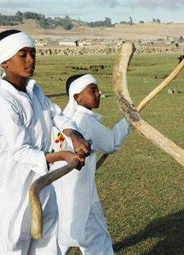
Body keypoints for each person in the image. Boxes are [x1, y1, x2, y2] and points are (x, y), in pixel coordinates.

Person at [0, 29, 91, 254]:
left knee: (47, 247)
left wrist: (75, 136)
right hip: (13, 191)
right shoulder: (2, 101)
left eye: (33, 53)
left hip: (41, 185)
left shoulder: (35, 90)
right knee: (10, 247)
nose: (31, 60)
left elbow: (55, 115)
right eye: (22, 55)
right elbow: (20, 152)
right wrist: (63, 155)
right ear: (5, 61)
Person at [52, 74, 130, 254]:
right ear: (77, 98)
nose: (98, 93)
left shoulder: (64, 120)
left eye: (97, 89)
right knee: (96, 238)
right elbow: (111, 143)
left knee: (61, 233)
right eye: (92, 90)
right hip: (79, 192)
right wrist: (129, 120)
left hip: (59, 191)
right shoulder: (83, 120)